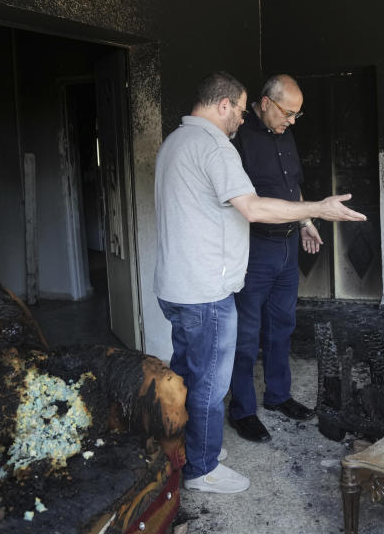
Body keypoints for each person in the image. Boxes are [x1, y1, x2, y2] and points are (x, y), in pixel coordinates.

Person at [153, 71, 365, 494]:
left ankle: (189, 449)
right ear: (229, 105)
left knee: (186, 374)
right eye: (287, 112)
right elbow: (250, 208)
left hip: (178, 284)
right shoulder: (219, 146)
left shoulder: (175, 142)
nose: (240, 123)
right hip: (208, 286)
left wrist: (304, 218)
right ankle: (202, 468)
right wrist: (319, 208)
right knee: (212, 381)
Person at [227, 74, 321, 444]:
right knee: (247, 335)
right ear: (265, 102)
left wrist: (307, 221)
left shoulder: (286, 134)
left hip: (287, 245)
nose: (292, 121)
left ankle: (278, 396)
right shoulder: (238, 139)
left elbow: (292, 186)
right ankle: (243, 411)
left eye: (298, 115)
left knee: (282, 326)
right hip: (254, 248)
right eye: (288, 113)